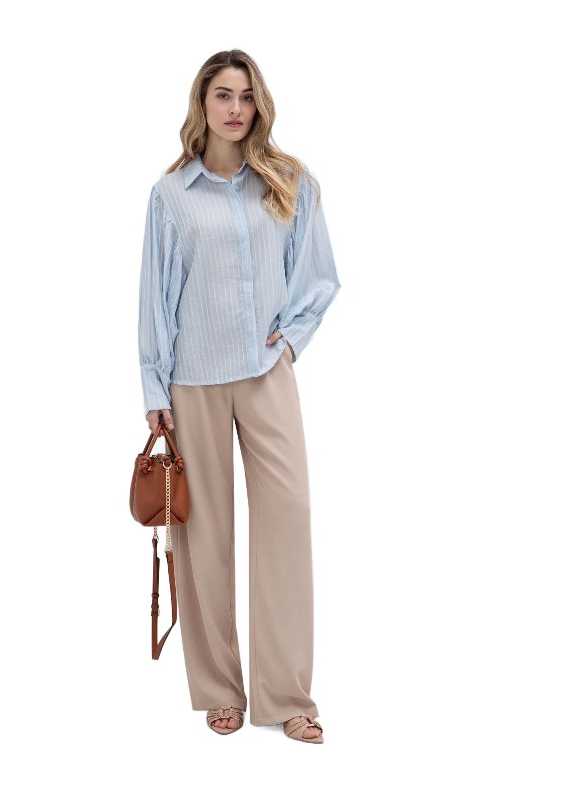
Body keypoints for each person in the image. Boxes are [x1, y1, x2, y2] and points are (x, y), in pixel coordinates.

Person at [137, 49, 340, 743]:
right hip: (192, 378)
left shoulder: (289, 182)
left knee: (288, 517)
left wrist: (290, 343)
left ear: (260, 105)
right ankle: (218, 689)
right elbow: (155, 297)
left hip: (265, 373)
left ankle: (286, 696)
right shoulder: (171, 195)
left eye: (246, 96)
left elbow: (319, 277)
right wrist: (153, 385)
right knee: (204, 537)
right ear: (203, 102)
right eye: (223, 94)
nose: (235, 108)